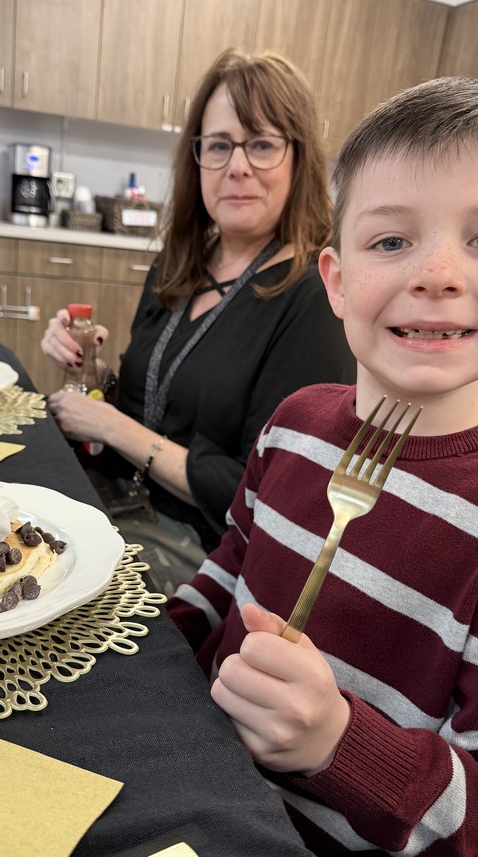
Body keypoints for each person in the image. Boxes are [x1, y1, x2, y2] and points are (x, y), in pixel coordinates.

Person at [167, 75, 478, 857]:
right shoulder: (294, 425)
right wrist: (154, 650)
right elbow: (226, 572)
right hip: (208, 800)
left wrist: (337, 741)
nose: (437, 275)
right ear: (339, 279)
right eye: (392, 239)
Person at [41, 48, 354, 596]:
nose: (237, 166)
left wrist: (111, 427)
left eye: (262, 144)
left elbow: (261, 494)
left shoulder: (313, 297)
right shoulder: (178, 266)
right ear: (198, 159)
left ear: (299, 158)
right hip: (114, 500)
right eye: (219, 145)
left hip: (204, 551)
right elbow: (152, 406)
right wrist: (90, 369)